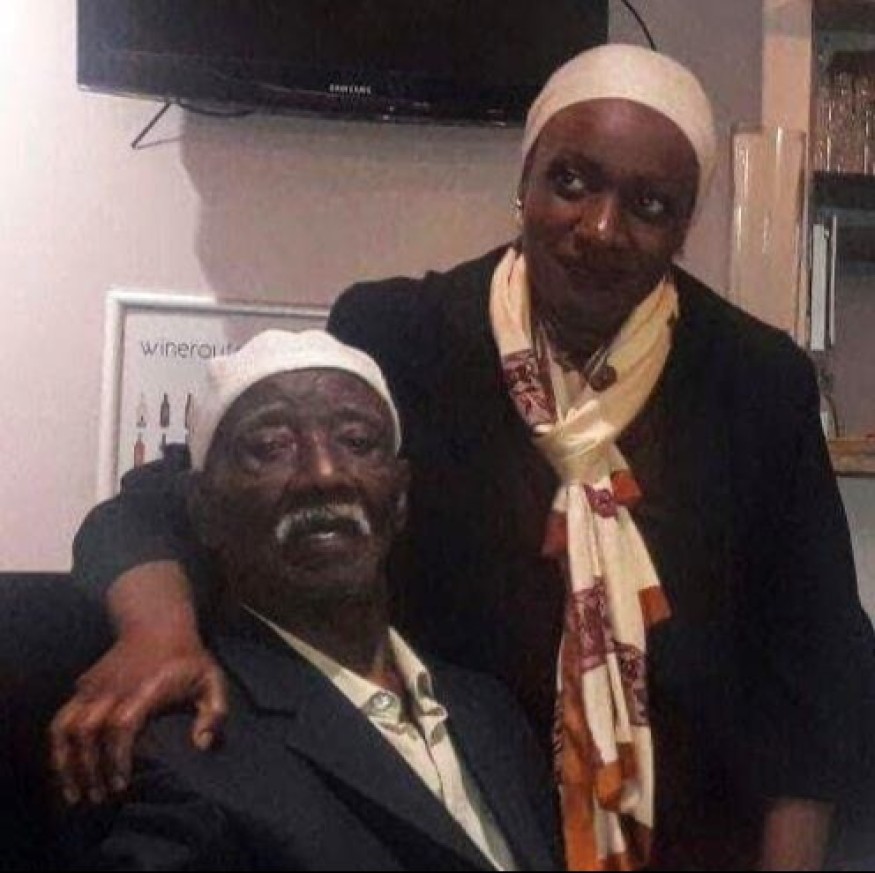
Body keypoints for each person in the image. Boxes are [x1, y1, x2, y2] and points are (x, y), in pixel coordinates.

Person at [53, 45, 875, 871]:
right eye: (570, 181)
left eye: (650, 204)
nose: (600, 229)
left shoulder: (751, 377)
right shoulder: (406, 335)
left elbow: (814, 666)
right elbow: (165, 505)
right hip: (456, 829)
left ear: (684, 225)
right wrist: (158, 633)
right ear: (523, 182)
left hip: (701, 843)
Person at [62, 330, 560, 871]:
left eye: (357, 442)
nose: (324, 474)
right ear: (203, 508)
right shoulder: (192, 750)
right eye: (269, 447)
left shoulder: (490, 713)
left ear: (400, 496)